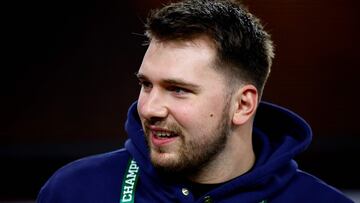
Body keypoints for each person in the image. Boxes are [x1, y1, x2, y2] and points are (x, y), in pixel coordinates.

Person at [37, 0, 354, 202]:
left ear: (243, 105)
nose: (149, 109)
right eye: (146, 85)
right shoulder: (73, 191)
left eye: (178, 90)